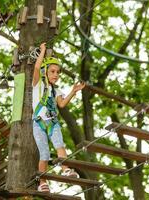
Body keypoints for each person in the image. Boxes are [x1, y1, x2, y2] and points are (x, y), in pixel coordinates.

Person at [32, 43, 86, 192]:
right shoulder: (38, 85)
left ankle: (66, 168)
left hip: (53, 122)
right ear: (45, 72)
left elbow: (61, 104)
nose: (56, 74)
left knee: (59, 145)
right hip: (38, 123)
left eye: (58, 72)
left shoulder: (56, 90)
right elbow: (36, 68)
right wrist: (42, 51)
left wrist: (73, 91)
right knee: (44, 153)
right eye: (53, 71)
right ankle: (42, 182)